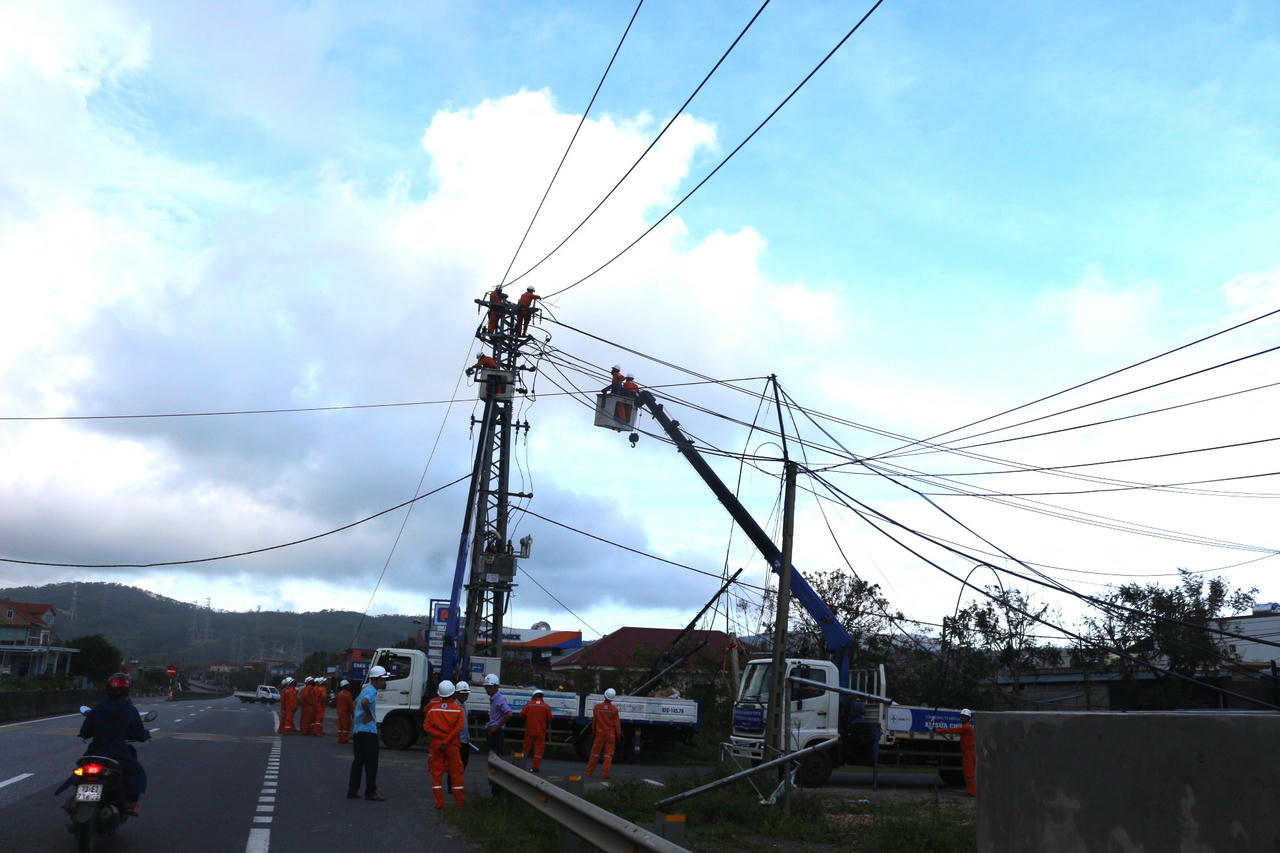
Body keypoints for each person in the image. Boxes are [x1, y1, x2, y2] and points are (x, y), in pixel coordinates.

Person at [79, 672, 149, 814]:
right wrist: (144, 735)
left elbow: (85, 731)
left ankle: (78, 799)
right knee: (137, 772)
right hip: (118, 754)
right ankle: (132, 803)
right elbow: (140, 734)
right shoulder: (129, 709)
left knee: (79, 772)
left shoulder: (98, 708)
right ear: (127, 691)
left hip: (94, 752)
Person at [423, 680, 467, 810]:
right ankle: (459, 802)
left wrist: (441, 737)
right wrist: (447, 740)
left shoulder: (433, 709)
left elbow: (426, 726)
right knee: (456, 773)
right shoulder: (459, 710)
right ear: (453, 693)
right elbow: (458, 728)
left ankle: (439, 803)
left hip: (436, 745)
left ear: (440, 694)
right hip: (452, 745)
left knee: (436, 774)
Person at [347, 666, 388, 801]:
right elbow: (365, 702)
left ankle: (353, 790)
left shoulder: (365, 690)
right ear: (375, 680)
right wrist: (369, 715)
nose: (384, 682)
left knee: (358, 762)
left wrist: (358, 718)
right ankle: (371, 792)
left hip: (358, 731)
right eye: (382, 679)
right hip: (368, 732)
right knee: (371, 764)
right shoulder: (371, 691)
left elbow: (354, 703)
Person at [483, 673, 513, 795]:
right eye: (486, 687)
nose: (487, 689)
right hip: (493, 732)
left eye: (489, 687)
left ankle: (496, 789)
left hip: (496, 734)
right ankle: (494, 786)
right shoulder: (493, 698)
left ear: (496, 687)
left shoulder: (499, 699)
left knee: (495, 760)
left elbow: (509, 713)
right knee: (492, 760)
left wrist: (496, 727)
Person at [935, 709, 976, 797]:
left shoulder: (966, 727)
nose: (962, 718)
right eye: (961, 716)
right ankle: (972, 791)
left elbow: (954, 730)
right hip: (968, 754)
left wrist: (940, 730)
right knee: (968, 774)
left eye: (964, 716)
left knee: (969, 774)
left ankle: (973, 792)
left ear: (968, 718)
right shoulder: (967, 727)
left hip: (969, 754)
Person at [584, 688, 622, 780]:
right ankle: (604, 775)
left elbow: (595, 722)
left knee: (594, 753)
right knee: (608, 755)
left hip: (599, 734)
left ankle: (588, 772)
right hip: (610, 735)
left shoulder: (597, 707)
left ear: (605, 695)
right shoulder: (614, 710)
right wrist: (618, 735)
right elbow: (617, 724)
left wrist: (594, 731)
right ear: (612, 698)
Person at [519, 688, 554, 773]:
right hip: (540, 732)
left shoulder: (528, 705)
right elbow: (550, 718)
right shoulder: (546, 706)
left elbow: (522, 715)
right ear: (542, 697)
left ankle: (520, 765)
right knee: (538, 751)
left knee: (526, 749)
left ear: (533, 696)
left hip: (529, 731)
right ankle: (535, 767)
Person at [454, 681, 474, 769]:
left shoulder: (464, 705)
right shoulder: (455, 707)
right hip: (458, 742)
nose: (465, 696)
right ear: (457, 694)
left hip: (465, 741)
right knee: (456, 767)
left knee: (463, 764)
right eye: (463, 694)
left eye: (466, 694)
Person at [336, 679, 354, 744]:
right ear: (346, 686)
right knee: (345, 726)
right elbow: (350, 705)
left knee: (340, 726)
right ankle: (345, 738)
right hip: (346, 713)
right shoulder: (348, 694)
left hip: (339, 713)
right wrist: (352, 713)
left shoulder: (339, 694)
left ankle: (340, 738)